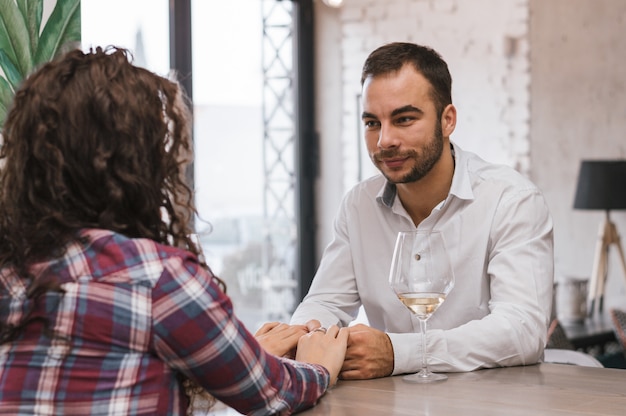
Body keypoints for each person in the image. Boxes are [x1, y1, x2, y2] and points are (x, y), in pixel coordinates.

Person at [0, 46, 348, 415]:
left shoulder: (13, 269)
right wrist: (319, 365)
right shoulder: (157, 279)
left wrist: (245, 355)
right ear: (136, 165)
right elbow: (274, 394)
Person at [290, 42, 554, 379]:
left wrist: (397, 353)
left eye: (403, 119)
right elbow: (325, 303)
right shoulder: (358, 206)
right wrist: (302, 336)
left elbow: (523, 330)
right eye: (372, 123)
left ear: (447, 120)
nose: (384, 140)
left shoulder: (512, 200)